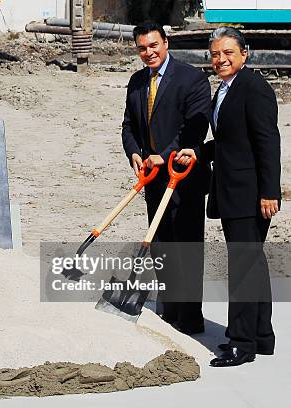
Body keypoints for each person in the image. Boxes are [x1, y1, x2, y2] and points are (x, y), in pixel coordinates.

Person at [177, 27, 281, 367]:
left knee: (242, 266)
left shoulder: (254, 88)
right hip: (232, 189)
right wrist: (200, 152)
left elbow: (268, 142)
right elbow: (230, 140)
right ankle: (262, 337)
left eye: (228, 54)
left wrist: (269, 191)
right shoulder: (225, 88)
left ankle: (240, 343)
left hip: (249, 194)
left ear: (244, 54)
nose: (220, 59)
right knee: (252, 264)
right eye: (215, 54)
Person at [121, 22, 211, 334]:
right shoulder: (136, 81)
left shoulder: (192, 79)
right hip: (154, 180)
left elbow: (194, 130)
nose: (148, 53)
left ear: (166, 43)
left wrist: (166, 155)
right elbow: (129, 126)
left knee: (185, 246)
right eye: (142, 48)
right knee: (161, 246)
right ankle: (170, 311)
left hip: (183, 176)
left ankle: (190, 318)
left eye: (153, 46)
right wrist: (134, 152)